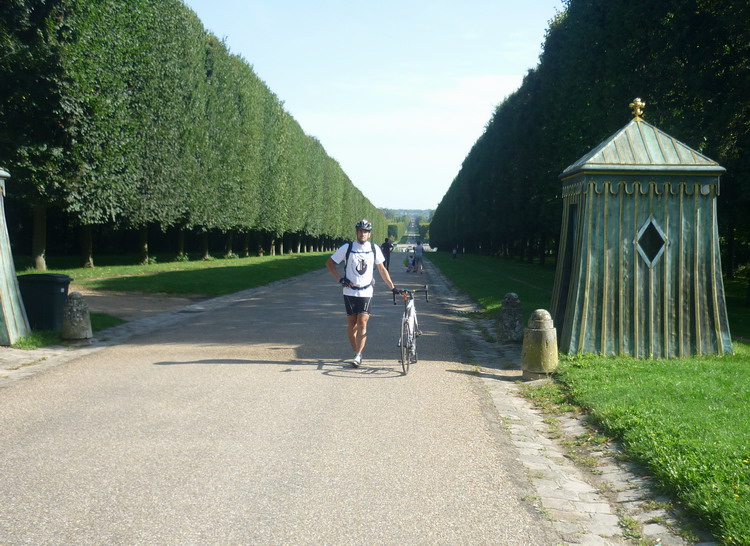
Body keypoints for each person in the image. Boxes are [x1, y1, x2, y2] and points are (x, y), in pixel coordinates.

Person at [326, 219, 398, 368]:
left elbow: (382, 269)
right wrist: (341, 279)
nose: (362, 233)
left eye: (365, 231)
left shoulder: (374, 248)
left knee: (362, 322)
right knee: (352, 324)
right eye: (360, 231)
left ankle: (358, 354)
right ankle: (356, 352)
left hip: (366, 291)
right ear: (356, 232)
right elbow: (329, 263)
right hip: (349, 292)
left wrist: (392, 287)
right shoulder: (348, 247)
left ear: (369, 234)